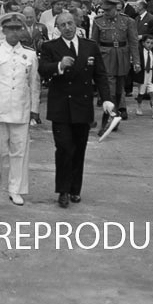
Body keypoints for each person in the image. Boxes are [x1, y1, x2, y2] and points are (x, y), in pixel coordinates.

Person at [39, 12, 114, 207]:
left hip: (82, 105)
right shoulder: (50, 47)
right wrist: (59, 65)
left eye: (70, 23)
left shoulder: (90, 46)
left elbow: (100, 74)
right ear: (57, 28)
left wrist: (106, 99)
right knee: (64, 148)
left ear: (76, 24)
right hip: (61, 106)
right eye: (62, 25)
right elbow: (43, 69)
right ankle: (62, 190)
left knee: (79, 148)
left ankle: (74, 189)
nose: (67, 27)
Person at [0, 13, 41, 206]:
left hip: (21, 109)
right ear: (3, 30)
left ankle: (15, 189)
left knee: (19, 152)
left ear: (22, 30)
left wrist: (34, 109)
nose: (14, 32)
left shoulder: (29, 54)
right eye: (11, 28)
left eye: (18, 28)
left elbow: (34, 84)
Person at [90, 0, 139, 128]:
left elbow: (134, 42)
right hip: (106, 57)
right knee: (109, 89)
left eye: (108, 10)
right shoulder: (98, 21)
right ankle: (111, 118)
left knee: (119, 89)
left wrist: (136, 61)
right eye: (104, 10)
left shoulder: (127, 21)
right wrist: (93, 61)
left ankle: (116, 112)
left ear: (116, 8)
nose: (106, 13)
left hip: (122, 57)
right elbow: (93, 43)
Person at [133, 33, 153, 119]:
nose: (150, 45)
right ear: (143, 43)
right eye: (148, 42)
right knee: (141, 93)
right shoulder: (140, 52)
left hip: (152, 74)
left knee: (152, 93)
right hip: (143, 74)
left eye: (152, 43)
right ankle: (139, 106)